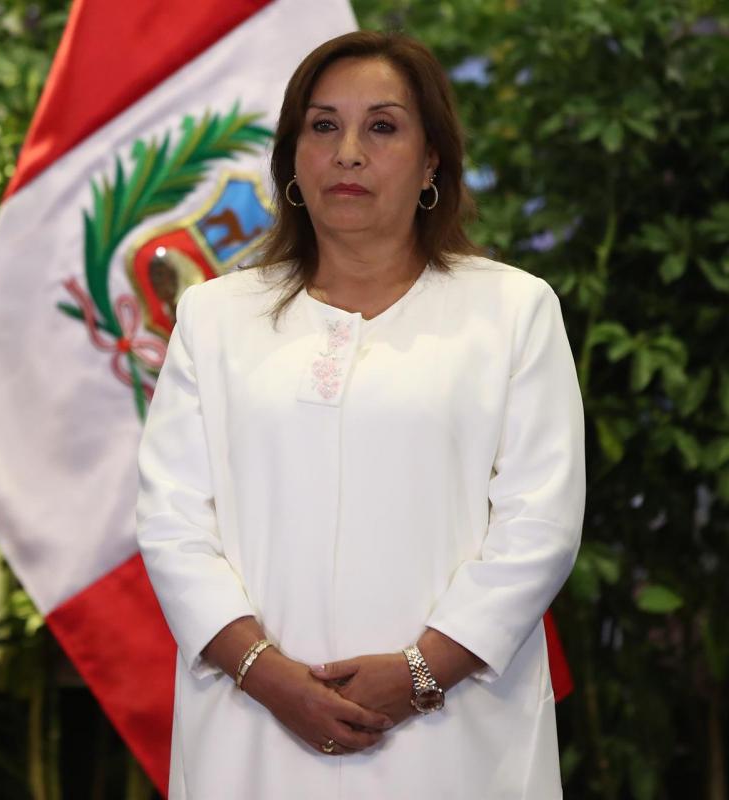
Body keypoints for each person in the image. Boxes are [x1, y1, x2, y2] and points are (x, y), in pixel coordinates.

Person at [136, 30, 585, 799]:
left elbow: (539, 526)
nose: (348, 153)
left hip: (453, 731)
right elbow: (171, 524)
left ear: (431, 161)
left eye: (382, 126)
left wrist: (421, 674)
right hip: (252, 725)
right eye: (323, 126)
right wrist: (265, 674)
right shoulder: (213, 318)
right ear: (292, 160)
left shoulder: (512, 310)